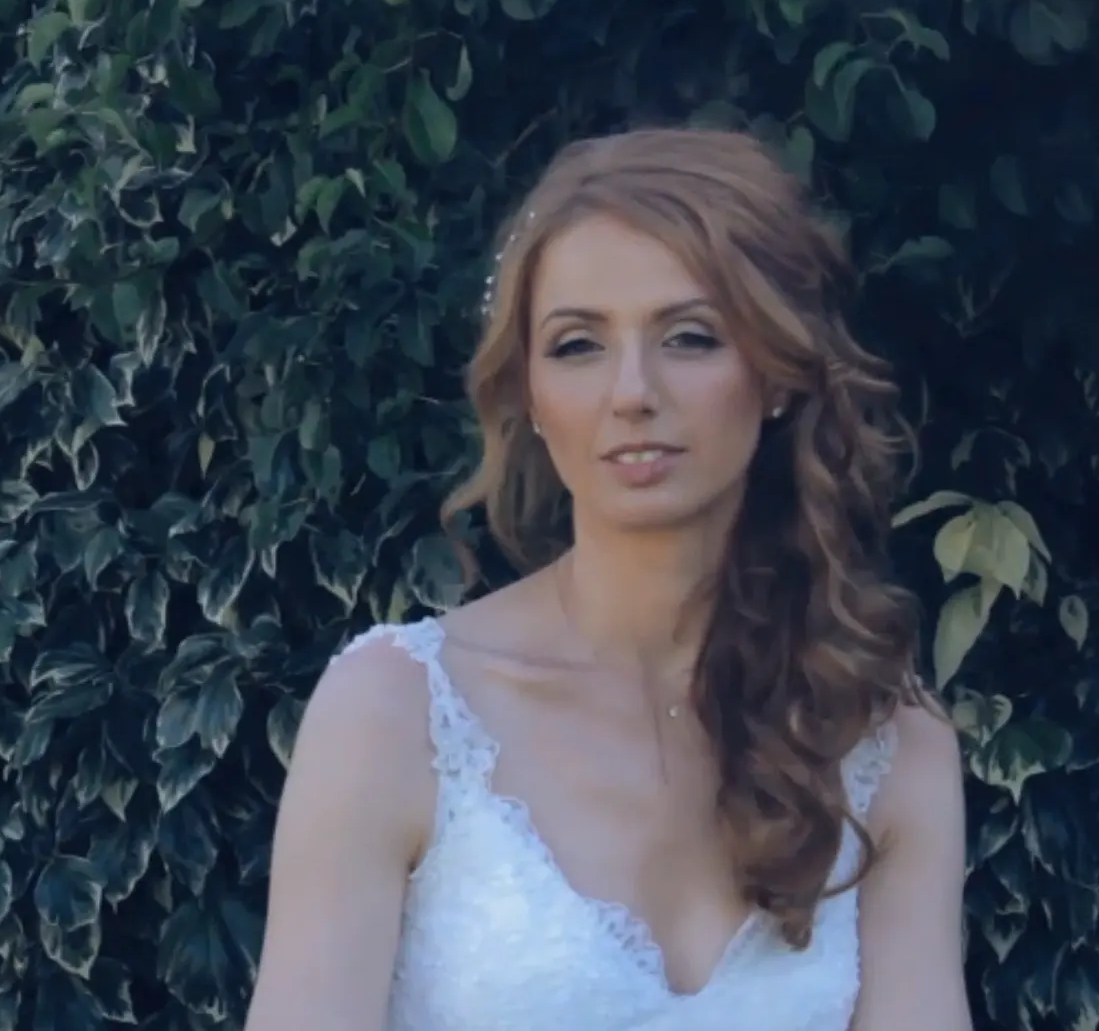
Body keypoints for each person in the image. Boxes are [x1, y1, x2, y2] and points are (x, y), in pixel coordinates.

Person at [243, 128, 975, 1031]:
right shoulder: (394, 715)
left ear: (778, 373)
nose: (632, 391)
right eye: (578, 345)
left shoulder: (886, 739)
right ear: (529, 393)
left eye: (690, 337)